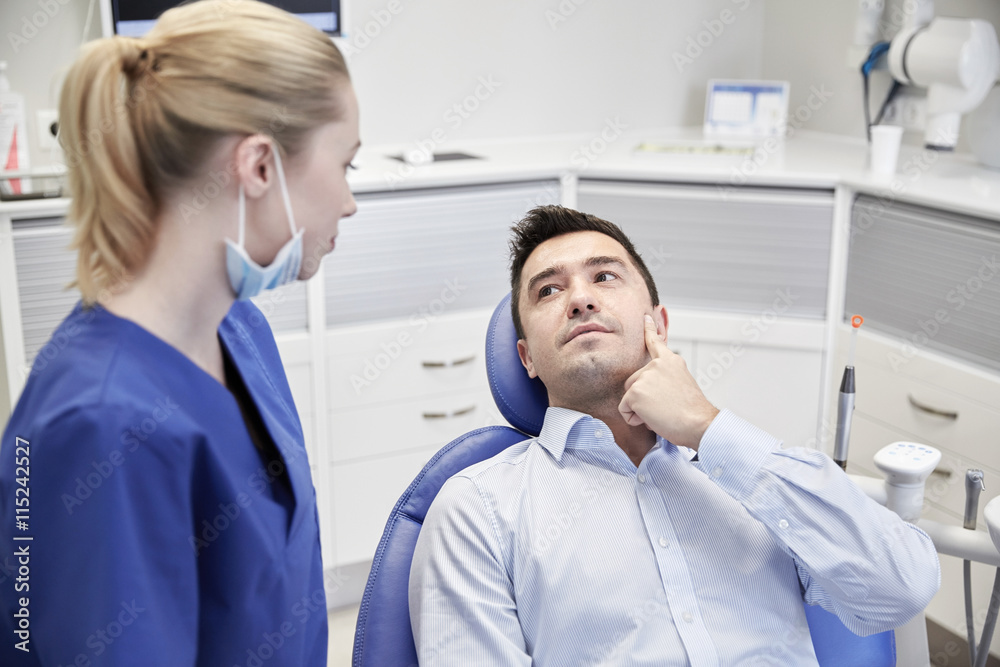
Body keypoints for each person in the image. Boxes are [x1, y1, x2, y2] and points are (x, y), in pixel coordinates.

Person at [409, 205, 941, 665]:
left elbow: (901, 590)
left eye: (605, 277)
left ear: (657, 326)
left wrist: (708, 429)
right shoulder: (477, 508)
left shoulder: (753, 472)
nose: (579, 299)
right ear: (527, 358)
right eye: (549, 290)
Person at [0, 1, 358, 664]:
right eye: (346, 165)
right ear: (258, 167)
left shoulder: (240, 332)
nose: (348, 201)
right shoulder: (101, 425)